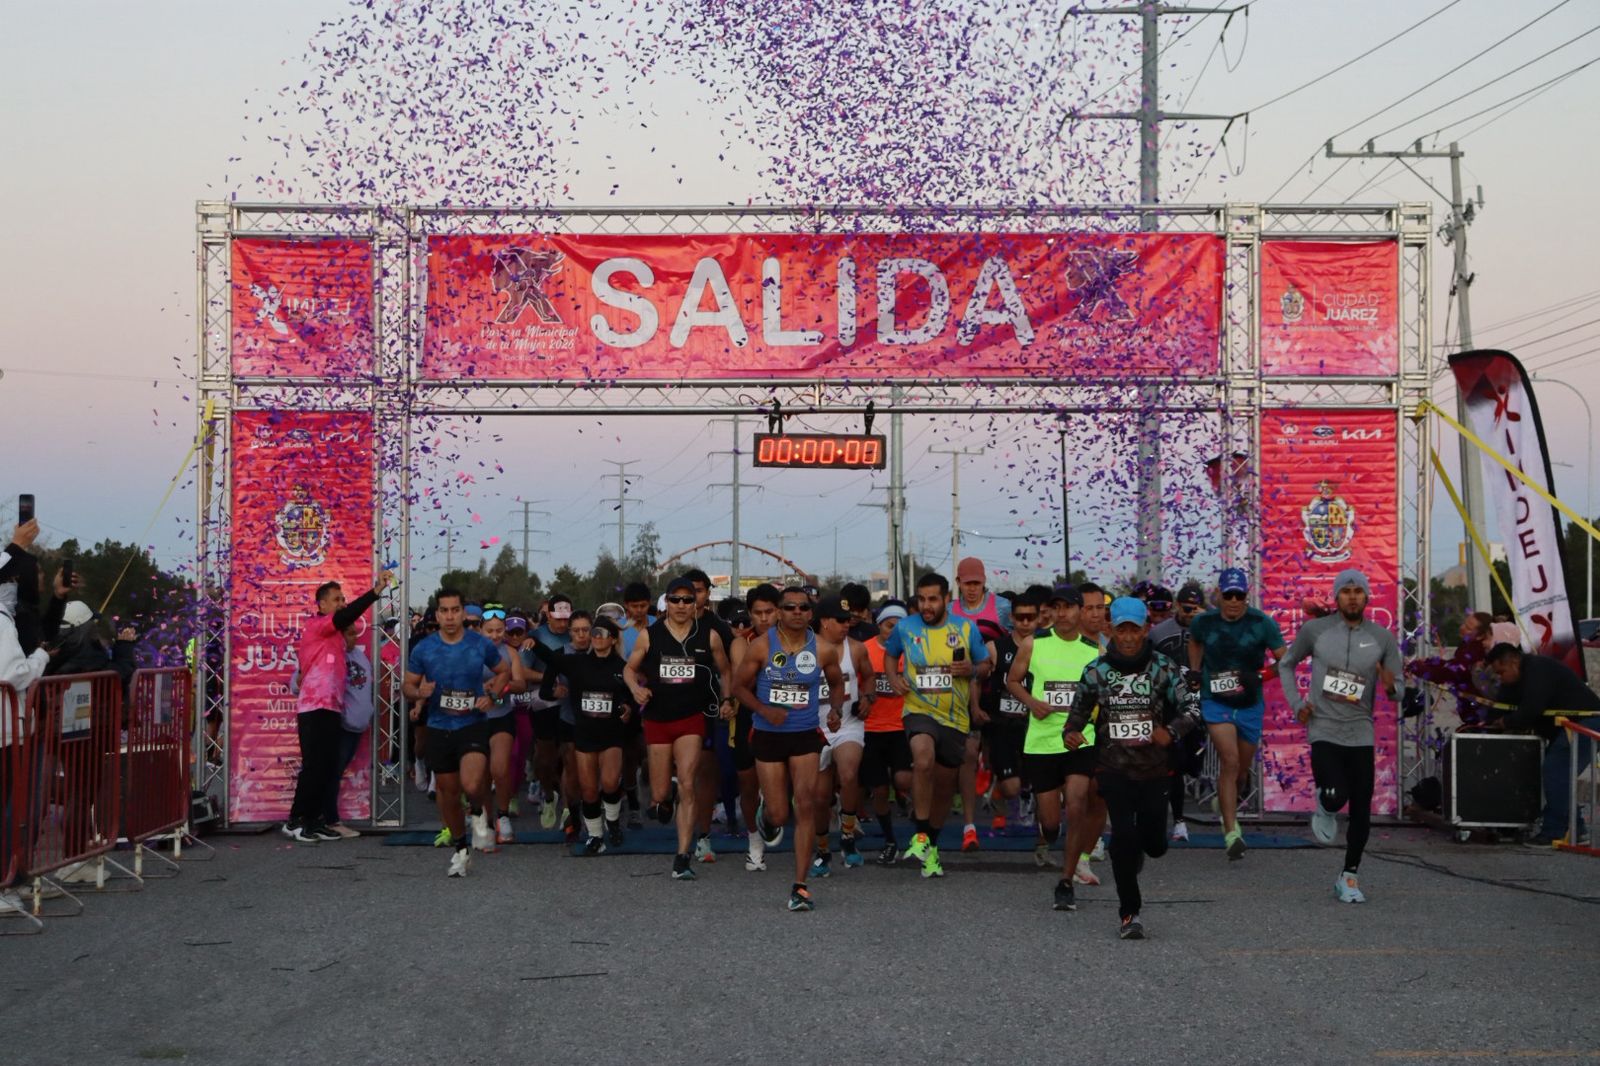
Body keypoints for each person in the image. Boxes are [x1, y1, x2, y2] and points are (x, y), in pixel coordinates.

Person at [1064, 597, 1201, 938]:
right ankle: (1130, 914)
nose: (1127, 637)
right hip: (1113, 768)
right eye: (1121, 629)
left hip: (1154, 770)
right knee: (1123, 838)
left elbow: (1192, 708)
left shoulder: (1163, 667)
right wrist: (1072, 731)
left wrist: (1169, 732)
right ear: (1111, 630)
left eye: (1134, 630)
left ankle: (1144, 845)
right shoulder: (1096, 671)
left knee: (1154, 844)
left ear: (1145, 630)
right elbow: (1078, 711)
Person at [1277, 569, 1402, 903]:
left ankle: (1349, 875)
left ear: (1366, 597)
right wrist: (1296, 703)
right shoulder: (1315, 630)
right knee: (1335, 794)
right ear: (1336, 596)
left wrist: (1391, 687)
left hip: (1360, 731)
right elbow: (1286, 664)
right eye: (1345, 591)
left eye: (1357, 591)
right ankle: (1325, 804)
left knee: (1361, 808)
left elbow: (1398, 689)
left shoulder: (1382, 638)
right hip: (1324, 728)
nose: (1351, 597)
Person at [732, 584, 845, 910]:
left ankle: (800, 885)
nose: (797, 612)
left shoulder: (823, 649)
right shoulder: (761, 647)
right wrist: (764, 709)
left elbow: (836, 683)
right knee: (780, 814)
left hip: (805, 734)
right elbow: (739, 687)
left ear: (811, 613)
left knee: (805, 804)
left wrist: (835, 710)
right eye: (790, 607)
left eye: (803, 608)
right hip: (768, 734)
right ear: (780, 612)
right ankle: (767, 814)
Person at [624, 575, 735, 880]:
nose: (683, 605)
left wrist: (728, 699)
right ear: (667, 602)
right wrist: (635, 689)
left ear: (696, 602)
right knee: (661, 794)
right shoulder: (650, 635)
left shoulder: (709, 635)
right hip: (658, 720)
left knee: (688, 782)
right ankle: (662, 799)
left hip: (692, 718)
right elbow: (629, 668)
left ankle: (682, 855)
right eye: (676, 599)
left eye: (688, 599)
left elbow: (726, 670)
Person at [883, 572, 991, 879]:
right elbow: (891, 656)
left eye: (933, 599)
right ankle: (919, 834)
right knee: (922, 756)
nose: (926, 605)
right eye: (921, 599)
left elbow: (985, 665)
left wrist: (972, 668)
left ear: (946, 599)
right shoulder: (905, 627)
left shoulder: (965, 627)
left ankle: (931, 845)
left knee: (944, 789)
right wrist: (893, 678)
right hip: (918, 709)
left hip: (955, 718)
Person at [403, 588, 511, 876]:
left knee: (473, 783)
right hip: (439, 727)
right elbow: (407, 686)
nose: (450, 616)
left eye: (455, 610)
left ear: (463, 613)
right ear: (437, 615)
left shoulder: (479, 644)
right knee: (448, 793)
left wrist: (494, 694)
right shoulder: (424, 648)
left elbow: (504, 672)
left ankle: (478, 811)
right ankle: (461, 850)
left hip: (472, 724)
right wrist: (418, 691)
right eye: (444, 611)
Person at [284, 570, 392, 843]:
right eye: (336, 599)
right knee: (314, 765)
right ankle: (296, 820)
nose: (342, 603)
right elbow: (345, 617)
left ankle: (315, 819)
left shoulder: (338, 640)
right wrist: (375, 592)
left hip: (332, 708)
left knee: (327, 766)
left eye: (343, 598)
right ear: (321, 605)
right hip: (313, 707)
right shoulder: (317, 625)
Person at [1008, 585, 1100, 902]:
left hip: (1079, 740)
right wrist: (1032, 703)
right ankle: (1049, 834)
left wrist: (1085, 720)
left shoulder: (1094, 651)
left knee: (1077, 805)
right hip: (1042, 742)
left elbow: (1101, 696)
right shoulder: (1034, 644)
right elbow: (1012, 681)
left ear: (1080, 611)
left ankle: (1066, 880)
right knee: (1050, 821)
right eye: (1057, 607)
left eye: (1069, 607)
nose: (1063, 613)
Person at [1187, 567, 1287, 861]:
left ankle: (1225, 800)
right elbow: (1194, 640)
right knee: (1228, 760)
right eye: (1227, 594)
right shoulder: (1204, 621)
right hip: (1215, 700)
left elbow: (1286, 659)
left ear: (1246, 597)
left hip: (1249, 703)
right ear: (1218, 595)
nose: (1232, 600)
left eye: (1238, 595)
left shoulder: (1262, 623)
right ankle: (1232, 833)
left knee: (1240, 772)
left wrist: (1262, 676)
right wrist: (1195, 669)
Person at [530, 616, 636, 853]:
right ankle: (596, 836)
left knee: (609, 783)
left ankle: (613, 822)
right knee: (588, 789)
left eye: (602, 634)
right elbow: (552, 658)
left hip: (612, 734)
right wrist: (533, 642)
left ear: (613, 639)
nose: (597, 637)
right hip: (584, 733)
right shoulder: (578, 662)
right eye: (594, 633)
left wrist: (629, 708)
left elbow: (632, 696)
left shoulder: (622, 667)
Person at [1484, 641, 1600, 847]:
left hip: (1584, 723)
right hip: (1566, 727)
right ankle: (1577, 828)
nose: (1500, 678)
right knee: (1558, 775)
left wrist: (1507, 722)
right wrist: (1488, 723)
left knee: (1556, 771)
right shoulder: (1518, 678)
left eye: (1501, 672)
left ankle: (1556, 831)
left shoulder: (1538, 670)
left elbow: (1532, 707)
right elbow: (1502, 704)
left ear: (1513, 661)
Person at [811, 595, 874, 876]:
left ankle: (848, 838)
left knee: (849, 774)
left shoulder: (857, 649)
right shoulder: (805, 650)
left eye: (848, 620)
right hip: (814, 729)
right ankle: (822, 850)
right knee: (820, 797)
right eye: (840, 620)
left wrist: (868, 699)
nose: (846, 625)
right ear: (824, 622)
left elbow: (869, 677)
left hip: (848, 724)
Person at [950, 557, 1008, 850]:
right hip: (962, 692)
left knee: (996, 756)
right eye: (966, 583)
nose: (972, 589)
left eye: (977, 583)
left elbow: (1017, 645)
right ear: (958, 582)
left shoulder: (1002, 609)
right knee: (969, 754)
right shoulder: (950, 611)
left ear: (984, 582)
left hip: (997, 692)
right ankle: (969, 826)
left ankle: (999, 802)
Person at [729, 583, 780, 867]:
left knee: (782, 786)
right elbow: (742, 683)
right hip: (748, 717)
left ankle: (772, 814)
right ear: (750, 614)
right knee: (748, 785)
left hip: (784, 718)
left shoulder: (795, 639)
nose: (764, 618)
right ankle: (754, 843)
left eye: (769, 612)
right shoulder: (741, 643)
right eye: (758, 613)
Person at [1151, 582, 1207, 841]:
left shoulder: (1209, 627)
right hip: (1168, 705)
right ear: (1177, 606)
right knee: (1172, 761)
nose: (1189, 613)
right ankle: (1178, 820)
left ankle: (1178, 814)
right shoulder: (1160, 632)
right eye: (1186, 608)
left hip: (1199, 703)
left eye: (1195, 608)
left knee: (1192, 763)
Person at [985, 589, 1042, 832]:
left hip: (1035, 724)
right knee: (1011, 787)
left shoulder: (1047, 647)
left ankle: (1028, 794)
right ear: (1012, 618)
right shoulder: (996, 647)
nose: (1026, 623)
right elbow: (978, 681)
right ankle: (1005, 789)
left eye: (1031, 617)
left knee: (1034, 778)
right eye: (1021, 618)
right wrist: (977, 708)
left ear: (1039, 617)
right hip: (1002, 723)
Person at [861, 602, 913, 864]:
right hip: (871, 728)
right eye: (888, 625)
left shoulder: (913, 649)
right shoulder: (866, 650)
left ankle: (918, 818)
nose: (893, 631)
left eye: (898, 626)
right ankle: (890, 840)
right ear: (878, 624)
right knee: (880, 790)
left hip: (902, 726)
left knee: (904, 780)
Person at [479, 605, 530, 845]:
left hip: (502, 715)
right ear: (481, 630)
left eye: (499, 630)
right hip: (476, 718)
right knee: (480, 774)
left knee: (500, 768)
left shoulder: (510, 652)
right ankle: (485, 819)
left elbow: (521, 684)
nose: (495, 635)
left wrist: (502, 686)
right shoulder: (472, 651)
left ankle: (502, 815)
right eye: (490, 631)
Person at [1407, 610, 1496, 723]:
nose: (1462, 628)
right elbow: (1453, 665)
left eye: (1468, 628)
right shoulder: (1469, 645)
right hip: (1472, 710)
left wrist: (1417, 667)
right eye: (1464, 623)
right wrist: (1430, 662)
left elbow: (1449, 673)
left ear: (1481, 636)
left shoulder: (1476, 651)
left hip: (1480, 714)